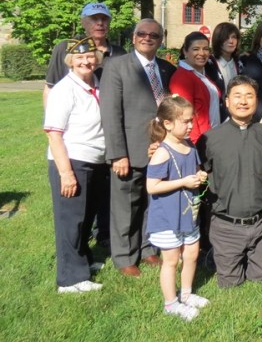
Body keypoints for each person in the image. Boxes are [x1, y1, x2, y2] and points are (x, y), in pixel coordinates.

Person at [101, 18, 175, 277]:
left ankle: (146, 248)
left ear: (161, 39)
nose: (147, 38)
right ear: (133, 38)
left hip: (159, 149)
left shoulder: (166, 68)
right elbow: (110, 114)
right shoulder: (116, 66)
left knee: (151, 202)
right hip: (129, 151)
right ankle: (123, 256)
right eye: (141, 34)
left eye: (153, 35)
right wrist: (117, 153)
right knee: (125, 206)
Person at [197, 76, 262, 287]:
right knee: (230, 284)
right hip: (226, 225)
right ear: (226, 101)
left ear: (257, 101)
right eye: (238, 96)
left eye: (249, 96)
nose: (243, 102)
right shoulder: (210, 139)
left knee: (260, 280)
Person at [44, 37, 108, 293]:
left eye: (90, 56)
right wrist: (66, 173)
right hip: (72, 161)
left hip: (95, 161)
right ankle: (70, 279)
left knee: (85, 217)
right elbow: (54, 134)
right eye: (79, 58)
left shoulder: (97, 84)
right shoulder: (64, 89)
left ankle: (83, 261)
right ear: (70, 61)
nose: (86, 61)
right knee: (71, 221)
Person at [146, 96, 210, 321]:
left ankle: (186, 294)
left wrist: (200, 175)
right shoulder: (162, 152)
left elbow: (195, 169)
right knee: (171, 260)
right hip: (167, 217)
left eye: (191, 120)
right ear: (168, 124)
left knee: (191, 254)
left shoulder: (190, 145)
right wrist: (183, 182)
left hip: (188, 213)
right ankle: (170, 303)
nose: (191, 125)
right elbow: (152, 186)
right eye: (185, 121)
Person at [44, 2, 127, 107]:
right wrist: (50, 119)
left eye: (104, 19)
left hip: (109, 118)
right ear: (83, 22)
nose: (100, 23)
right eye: (94, 18)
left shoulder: (119, 54)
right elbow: (50, 87)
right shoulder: (65, 48)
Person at [169, 32, 221, 144]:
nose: (202, 53)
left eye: (206, 49)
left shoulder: (201, 73)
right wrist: (197, 146)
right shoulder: (182, 78)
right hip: (201, 141)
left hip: (213, 136)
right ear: (185, 51)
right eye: (196, 49)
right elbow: (185, 116)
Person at [204, 22, 241, 122]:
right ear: (218, 40)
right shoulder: (208, 65)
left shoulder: (240, 64)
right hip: (215, 118)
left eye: (234, 37)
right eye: (226, 37)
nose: (231, 41)